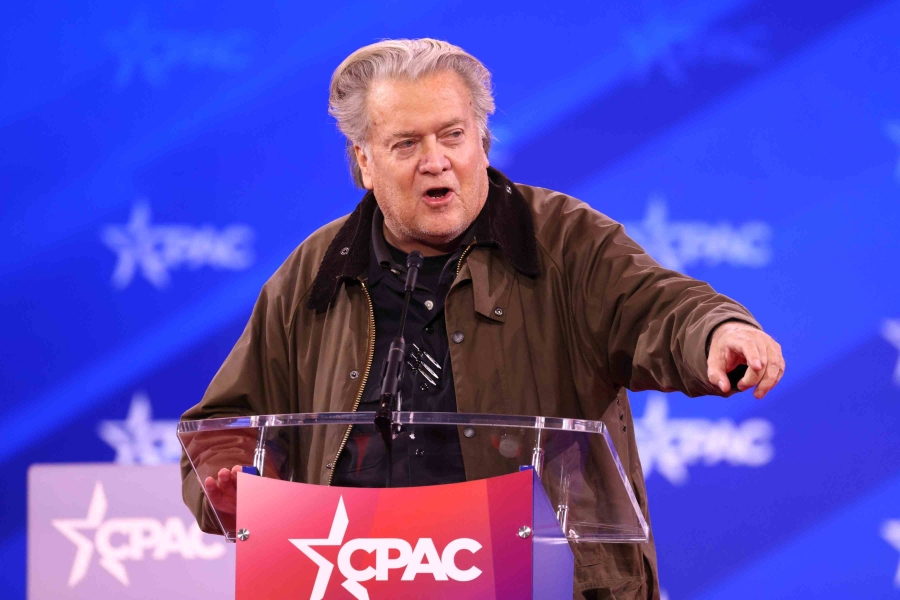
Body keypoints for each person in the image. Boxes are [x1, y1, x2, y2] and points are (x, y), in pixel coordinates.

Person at [181, 38, 785, 599]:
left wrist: (718, 332)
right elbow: (222, 423)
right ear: (364, 162)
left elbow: (662, 307)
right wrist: (232, 482)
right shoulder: (315, 271)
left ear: (482, 141)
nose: (436, 161)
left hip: (536, 583)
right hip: (353, 579)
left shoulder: (564, 241)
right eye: (406, 144)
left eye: (453, 135)